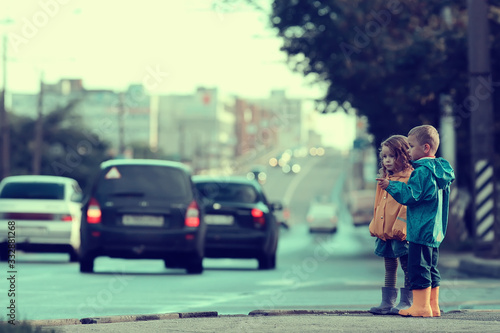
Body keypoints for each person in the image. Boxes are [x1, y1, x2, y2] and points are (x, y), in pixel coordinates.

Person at [376, 125, 455, 318]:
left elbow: (411, 196)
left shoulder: (422, 172)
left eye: (411, 146)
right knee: (431, 268)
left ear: (426, 148)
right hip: (435, 229)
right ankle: (432, 306)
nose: (408, 150)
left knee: (418, 268)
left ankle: (420, 307)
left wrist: (391, 186)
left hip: (420, 228)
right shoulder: (439, 169)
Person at [368, 135, 413, 315]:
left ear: (403, 156)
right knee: (389, 266)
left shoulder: (409, 177)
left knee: (406, 266)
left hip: (400, 232)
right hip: (385, 232)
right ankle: (387, 302)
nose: (387, 160)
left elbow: (406, 206)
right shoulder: (384, 178)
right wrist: (377, 226)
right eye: (384, 156)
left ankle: (407, 301)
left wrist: (402, 228)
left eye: (392, 156)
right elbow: (378, 205)